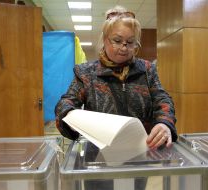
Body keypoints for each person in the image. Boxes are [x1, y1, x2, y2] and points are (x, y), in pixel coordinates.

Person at [55, 5, 177, 150]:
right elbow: (65, 103)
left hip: (140, 151)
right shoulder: (86, 73)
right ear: (105, 40)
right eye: (117, 41)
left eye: (130, 42)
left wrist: (164, 123)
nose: (124, 48)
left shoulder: (147, 70)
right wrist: (72, 119)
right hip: (98, 153)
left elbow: (163, 100)